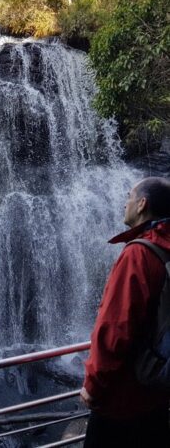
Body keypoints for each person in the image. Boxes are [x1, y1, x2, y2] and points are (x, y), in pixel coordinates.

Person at [81, 176, 170, 447]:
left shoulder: (138, 255)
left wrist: (94, 386)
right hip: (157, 393)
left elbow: (116, 328)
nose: (124, 203)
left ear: (142, 204)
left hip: (121, 401)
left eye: (129, 197)